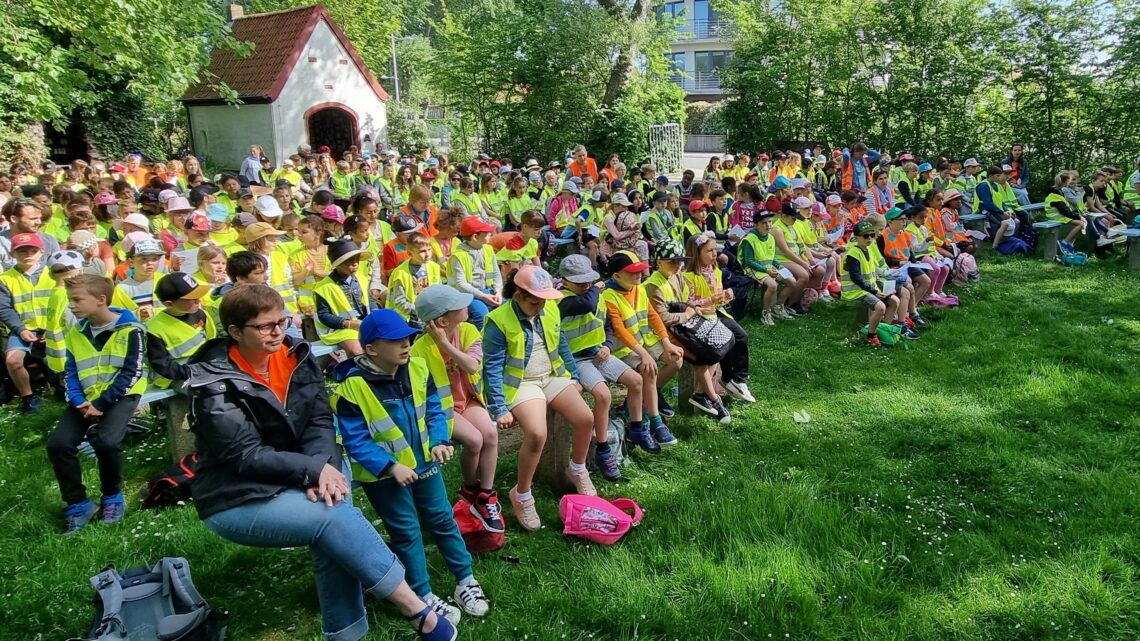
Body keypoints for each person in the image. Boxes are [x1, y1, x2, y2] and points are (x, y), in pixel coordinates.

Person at [185, 285, 457, 641]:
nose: (278, 331)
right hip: (236, 494)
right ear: (235, 332)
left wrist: (320, 469)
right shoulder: (213, 384)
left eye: (282, 321)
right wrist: (313, 470)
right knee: (332, 518)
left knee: (333, 515)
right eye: (265, 326)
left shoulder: (295, 356)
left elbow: (318, 422)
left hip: (301, 474)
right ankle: (417, 609)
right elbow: (244, 455)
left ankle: (346, 633)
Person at [332, 309, 490, 624]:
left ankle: (465, 580)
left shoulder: (418, 368)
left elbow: (435, 409)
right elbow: (355, 440)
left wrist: (441, 440)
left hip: (426, 464)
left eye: (407, 337)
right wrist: (390, 467)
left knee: (443, 520)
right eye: (395, 341)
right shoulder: (350, 389)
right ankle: (422, 595)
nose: (406, 345)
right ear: (372, 349)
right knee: (406, 532)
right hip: (384, 479)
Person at [481, 265, 597, 530]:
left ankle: (577, 469)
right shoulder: (498, 320)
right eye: (535, 301)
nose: (541, 306)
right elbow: (492, 366)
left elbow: (562, 343)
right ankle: (522, 494)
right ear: (518, 295)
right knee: (536, 434)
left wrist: (574, 376)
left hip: (553, 375)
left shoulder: (549, 308)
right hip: (521, 383)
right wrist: (499, 407)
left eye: (544, 300)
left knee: (585, 418)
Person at [48, 275, 146, 534]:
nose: (71, 305)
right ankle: (78, 504)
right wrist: (79, 402)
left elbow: (132, 371)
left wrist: (102, 403)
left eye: (77, 299)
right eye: (70, 299)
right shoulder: (75, 332)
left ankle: (112, 497)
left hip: (120, 396)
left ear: (101, 300)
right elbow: (70, 372)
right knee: (58, 444)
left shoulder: (131, 330)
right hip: (84, 399)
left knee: (106, 441)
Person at [410, 286, 501, 531]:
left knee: (490, 435)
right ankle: (470, 488)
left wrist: (446, 345)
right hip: (444, 409)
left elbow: (472, 366)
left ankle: (486, 494)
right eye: (460, 306)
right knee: (474, 441)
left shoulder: (468, 330)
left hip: (469, 399)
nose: (467, 307)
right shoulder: (419, 350)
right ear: (442, 319)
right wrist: (438, 343)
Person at [557, 255, 652, 481]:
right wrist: (597, 287)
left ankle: (637, 427)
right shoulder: (562, 299)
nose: (585, 285)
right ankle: (603, 448)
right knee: (603, 395)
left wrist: (608, 346)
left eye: (588, 281)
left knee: (636, 380)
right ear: (564, 281)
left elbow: (606, 325)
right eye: (579, 282)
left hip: (599, 353)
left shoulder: (594, 294)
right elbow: (587, 303)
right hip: (577, 359)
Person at [682, 233, 755, 412]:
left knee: (740, 336)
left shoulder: (715, 271)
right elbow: (688, 303)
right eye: (709, 251)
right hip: (699, 319)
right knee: (728, 338)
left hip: (716, 313)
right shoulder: (687, 276)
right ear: (696, 253)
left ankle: (738, 379)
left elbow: (718, 299)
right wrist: (712, 300)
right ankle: (730, 380)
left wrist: (725, 296)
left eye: (715, 249)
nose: (714, 254)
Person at [0, 232, 54, 412]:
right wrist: (21, 329)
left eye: (33, 250)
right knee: (13, 361)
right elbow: (4, 309)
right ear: (13, 254)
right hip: (22, 329)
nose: (28, 254)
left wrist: (51, 329)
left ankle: (63, 391)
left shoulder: (53, 273)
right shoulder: (5, 279)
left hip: (53, 328)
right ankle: (28, 398)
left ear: (41, 252)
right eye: (22, 251)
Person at [146, 272, 215, 390]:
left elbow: (213, 341)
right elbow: (161, 364)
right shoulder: (154, 329)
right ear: (169, 303)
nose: (198, 300)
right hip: (175, 378)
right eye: (191, 298)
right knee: (207, 391)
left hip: (204, 368)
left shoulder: (201, 314)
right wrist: (189, 372)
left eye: (198, 295)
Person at [840, 221, 900, 347]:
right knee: (880, 307)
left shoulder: (869, 250)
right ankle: (870, 336)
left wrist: (887, 287)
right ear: (856, 238)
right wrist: (875, 292)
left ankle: (883, 330)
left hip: (869, 289)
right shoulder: (853, 253)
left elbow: (874, 274)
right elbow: (856, 278)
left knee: (895, 301)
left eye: (872, 235)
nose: (870, 239)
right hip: (856, 291)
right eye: (865, 236)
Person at [314, 237, 370, 356]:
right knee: (356, 351)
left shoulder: (362, 279)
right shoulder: (323, 287)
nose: (355, 263)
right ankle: (355, 373)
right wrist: (348, 323)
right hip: (339, 329)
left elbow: (370, 301)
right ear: (337, 264)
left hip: (364, 323)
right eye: (349, 260)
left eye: (357, 259)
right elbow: (324, 315)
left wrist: (375, 316)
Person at [738, 210, 795, 324]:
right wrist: (766, 270)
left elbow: (770, 257)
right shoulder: (749, 239)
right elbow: (749, 261)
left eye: (770, 222)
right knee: (773, 285)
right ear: (756, 224)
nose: (768, 225)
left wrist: (779, 265)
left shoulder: (770, 237)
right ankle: (766, 313)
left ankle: (778, 307)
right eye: (764, 223)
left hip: (768, 268)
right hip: (753, 269)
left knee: (792, 282)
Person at [448, 216, 501, 329]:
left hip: (488, 291)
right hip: (468, 295)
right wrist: (483, 296)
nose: (490, 233)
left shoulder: (488, 249)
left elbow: (496, 273)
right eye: (486, 232)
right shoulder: (459, 256)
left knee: (508, 307)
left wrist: (498, 292)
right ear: (475, 237)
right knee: (482, 315)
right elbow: (461, 284)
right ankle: (482, 343)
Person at [387, 232, 442, 322]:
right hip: (409, 318)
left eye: (429, 249)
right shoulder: (400, 273)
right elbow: (399, 301)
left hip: (431, 314)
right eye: (422, 251)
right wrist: (419, 311)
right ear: (410, 253)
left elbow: (439, 291)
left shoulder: (434, 267)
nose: (428, 254)